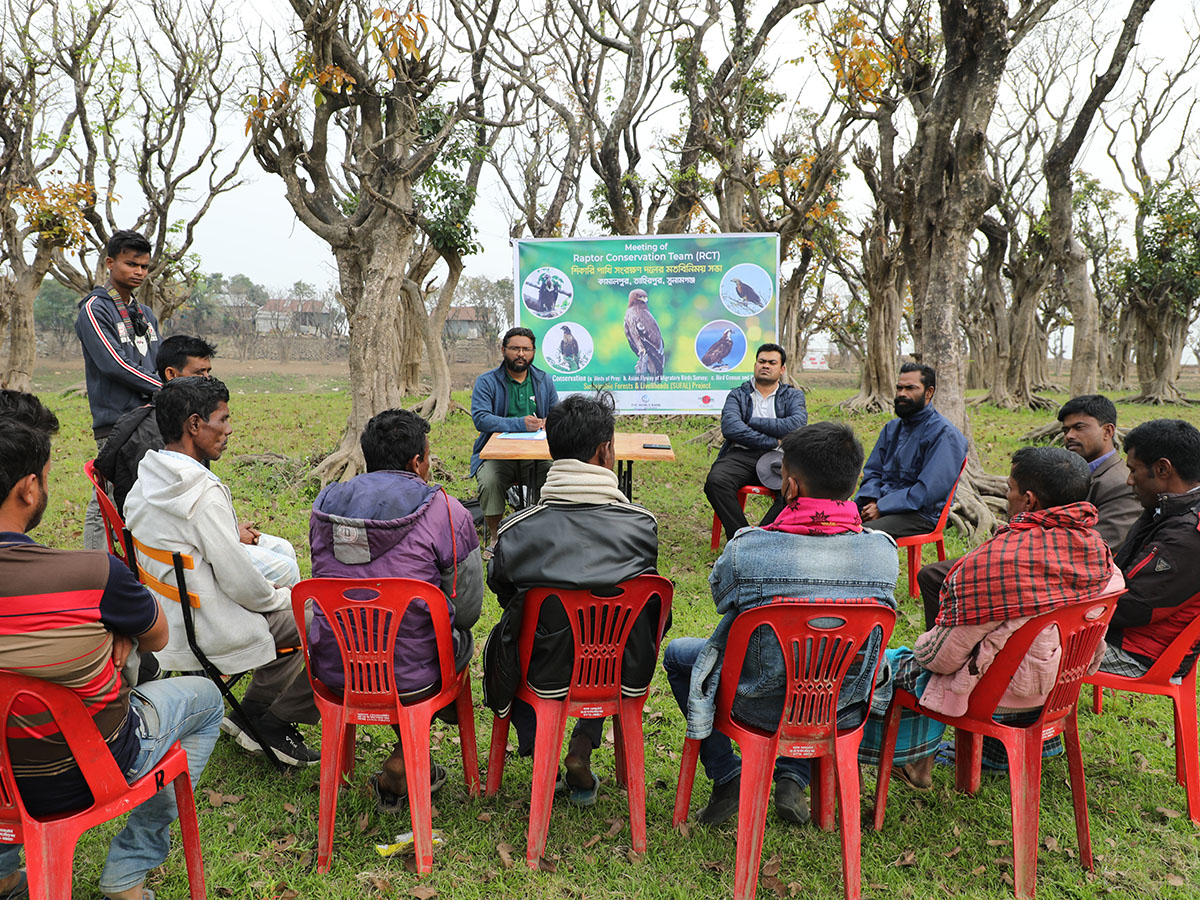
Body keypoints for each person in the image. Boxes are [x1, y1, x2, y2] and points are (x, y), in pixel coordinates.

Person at [0, 392, 223, 900]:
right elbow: (159, 638)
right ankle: (128, 873)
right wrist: (115, 626)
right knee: (206, 701)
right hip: (86, 772)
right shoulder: (93, 573)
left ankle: (5, 871)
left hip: (3, 781)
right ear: (30, 488)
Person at [666, 423, 898, 826]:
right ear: (852, 482)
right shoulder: (883, 554)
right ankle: (793, 776)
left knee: (678, 655)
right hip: (839, 705)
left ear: (789, 487)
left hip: (753, 703)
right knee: (814, 661)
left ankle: (727, 775)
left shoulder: (748, 548)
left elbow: (722, 597)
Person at [859, 447, 1117, 789]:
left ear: (1028, 500)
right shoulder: (1097, 550)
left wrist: (918, 646)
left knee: (884, 665)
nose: (1006, 496)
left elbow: (942, 657)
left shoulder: (1000, 560)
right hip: (1057, 690)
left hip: (998, 696)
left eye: (1008, 488)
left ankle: (903, 762)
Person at [124, 377, 318, 767]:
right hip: (202, 628)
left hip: (162, 619)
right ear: (194, 425)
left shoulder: (146, 479)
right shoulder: (202, 493)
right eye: (223, 419)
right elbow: (241, 582)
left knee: (281, 600)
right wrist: (285, 595)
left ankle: (247, 716)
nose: (229, 429)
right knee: (317, 618)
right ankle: (263, 720)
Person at [482, 393, 663, 807]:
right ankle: (582, 744)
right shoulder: (641, 527)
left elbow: (503, 591)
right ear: (605, 452)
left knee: (522, 629)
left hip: (541, 669)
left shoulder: (517, 530)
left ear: (552, 450)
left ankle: (534, 743)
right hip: (619, 668)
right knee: (604, 634)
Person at [309, 408, 483, 810]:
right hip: (414, 674)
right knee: (450, 638)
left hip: (337, 669)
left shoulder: (325, 504)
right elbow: (468, 607)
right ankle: (407, 754)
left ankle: (403, 753)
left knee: (400, 641)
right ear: (417, 462)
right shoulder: (447, 511)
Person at [76, 230, 163, 550]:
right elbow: (115, 363)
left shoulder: (146, 314)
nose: (139, 272)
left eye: (144, 266)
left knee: (141, 499)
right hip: (115, 422)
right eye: (131, 264)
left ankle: (133, 571)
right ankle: (96, 574)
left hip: (148, 420)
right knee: (107, 501)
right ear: (110, 263)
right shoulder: (95, 309)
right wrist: (166, 388)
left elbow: (160, 359)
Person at [1098, 419, 1200, 680]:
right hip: (1135, 635)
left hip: (1142, 653)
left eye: (1134, 470)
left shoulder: (1187, 535)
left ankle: (1010, 718)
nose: (1130, 481)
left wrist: (1061, 603)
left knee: (1030, 644)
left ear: (1163, 469)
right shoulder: (1168, 507)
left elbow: (1130, 606)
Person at [95, 334, 218, 515]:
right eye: (199, 373)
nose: (206, 380)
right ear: (171, 374)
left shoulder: (185, 419)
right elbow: (158, 506)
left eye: (208, 372)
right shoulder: (154, 431)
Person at [703, 343, 807, 541]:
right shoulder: (738, 395)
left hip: (780, 458)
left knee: (794, 490)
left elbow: (797, 425)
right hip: (742, 455)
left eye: (771, 362)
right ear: (755, 365)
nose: (765, 366)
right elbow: (731, 428)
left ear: (782, 369)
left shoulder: (793, 395)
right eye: (762, 362)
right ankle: (742, 538)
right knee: (716, 482)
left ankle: (762, 538)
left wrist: (751, 422)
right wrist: (772, 439)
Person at [469, 327, 560, 550]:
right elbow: (481, 419)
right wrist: (519, 424)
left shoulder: (543, 380)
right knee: (490, 479)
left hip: (537, 455)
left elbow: (556, 413)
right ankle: (496, 537)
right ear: (503, 350)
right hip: (498, 456)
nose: (521, 354)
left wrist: (552, 420)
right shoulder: (487, 381)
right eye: (515, 348)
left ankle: (541, 533)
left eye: (526, 349)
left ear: (533, 352)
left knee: (553, 475)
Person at [856, 363, 967, 537]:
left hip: (921, 514)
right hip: (881, 504)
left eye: (910, 388)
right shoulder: (891, 429)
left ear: (929, 392)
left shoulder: (944, 434)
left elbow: (927, 492)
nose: (902, 394)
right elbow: (873, 472)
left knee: (862, 535)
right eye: (899, 388)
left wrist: (883, 506)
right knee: (833, 523)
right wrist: (871, 500)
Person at [1057, 394, 1141, 548]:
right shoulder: (1069, 473)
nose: (1069, 436)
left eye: (1079, 428)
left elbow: (1101, 547)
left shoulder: (1120, 485)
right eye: (1066, 430)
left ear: (1108, 432)